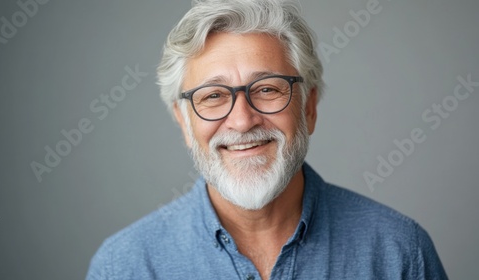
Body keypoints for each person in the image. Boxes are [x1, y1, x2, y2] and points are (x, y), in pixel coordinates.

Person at [86, 0, 448, 279]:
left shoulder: (399, 252)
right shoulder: (125, 266)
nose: (242, 121)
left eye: (267, 89)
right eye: (213, 96)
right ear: (183, 122)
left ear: (309, 108)